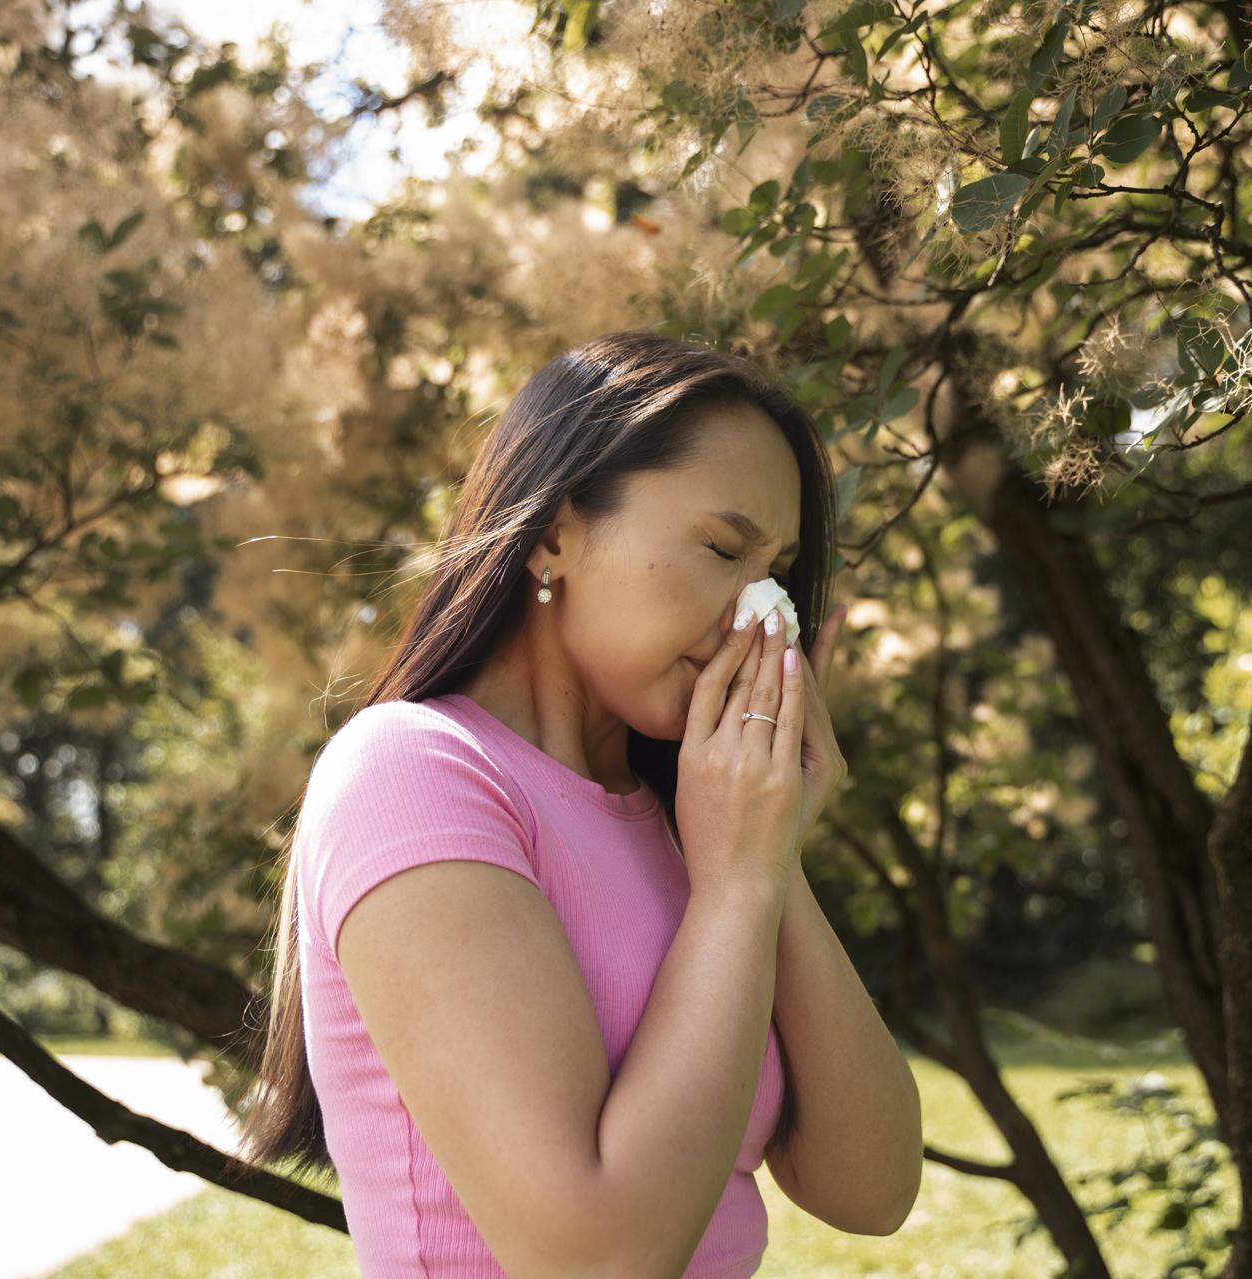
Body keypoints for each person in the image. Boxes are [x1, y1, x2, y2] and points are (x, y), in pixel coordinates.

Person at [235, 330, 844, 1277]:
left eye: (777, 571)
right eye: (725, 547)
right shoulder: (414, 772)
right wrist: (732, 888)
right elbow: (593, 1258)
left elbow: (868, 1183)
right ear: (556, 530)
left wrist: (770, 855)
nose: (760, 611)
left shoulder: (690, 823)